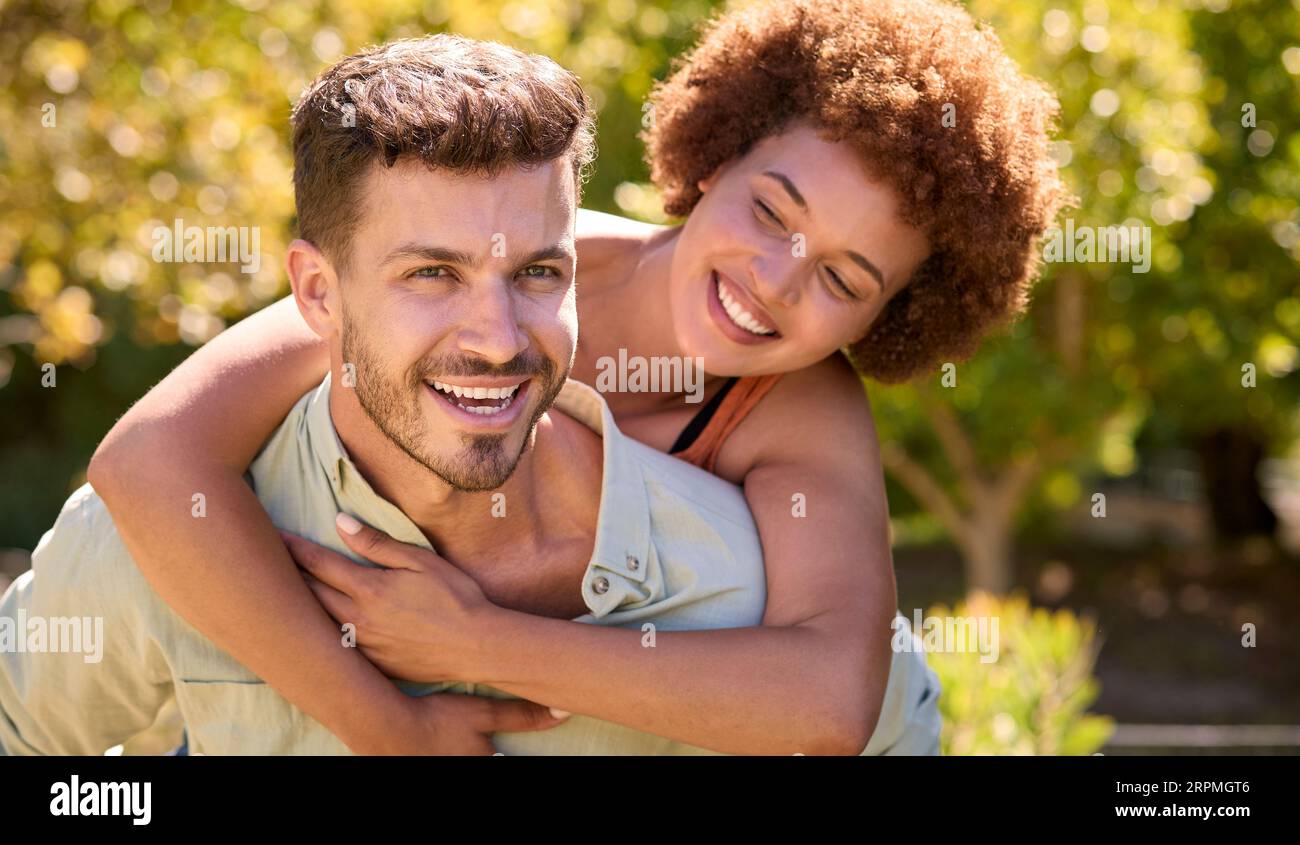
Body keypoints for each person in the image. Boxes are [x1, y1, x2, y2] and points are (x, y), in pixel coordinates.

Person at [89, 0, 1067, 753]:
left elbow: (829, 699)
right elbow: (148, 458)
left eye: (846, 278)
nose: (774, 282)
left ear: (888, 315)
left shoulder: (800, 408)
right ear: (717, 156)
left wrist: (473, 642)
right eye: (771, 213)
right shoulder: (508, 266)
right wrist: (387, 724)